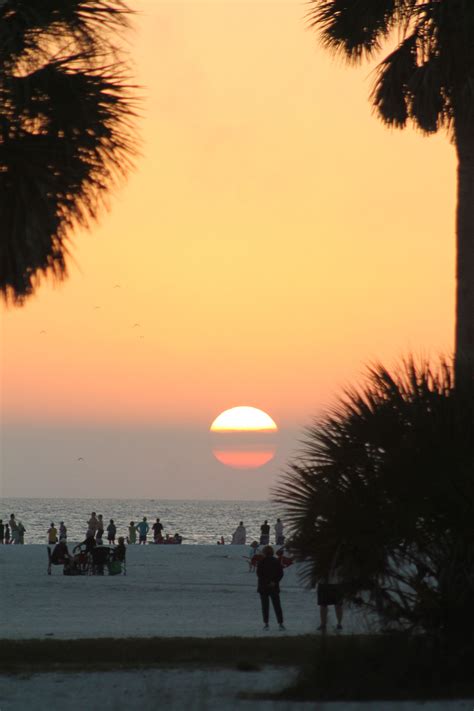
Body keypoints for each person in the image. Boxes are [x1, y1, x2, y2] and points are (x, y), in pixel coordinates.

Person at [257, 545, 285, 630]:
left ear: (265, 552)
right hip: (274, 586)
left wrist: (267, 582)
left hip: (263, 586)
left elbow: (259, 574)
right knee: (277, 605)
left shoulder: (261, 562)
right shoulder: (276, 561)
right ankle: (280, 623)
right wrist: (274, 582)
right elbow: (280, 573)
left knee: (265, 606)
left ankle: (266, 624)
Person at [317, 549, 344, 633]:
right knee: (332, 605)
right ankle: (333, 624)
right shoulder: (338, 557)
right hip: (332, 583)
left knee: (325, 605)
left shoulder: (323, 558)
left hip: (332, 583)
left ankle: (325, 624)